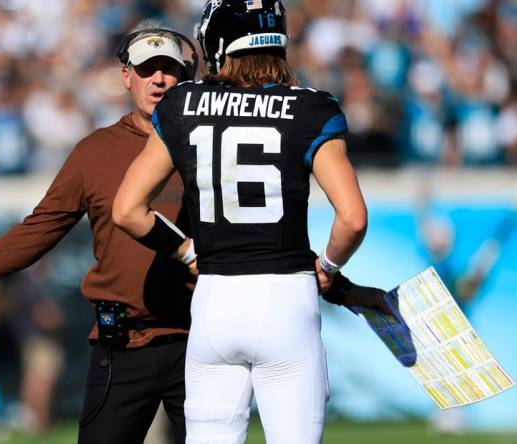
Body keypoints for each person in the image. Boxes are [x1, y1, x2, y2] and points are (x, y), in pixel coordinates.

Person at [0, 21, 199, 444]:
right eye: (147, 69)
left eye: (169, 68)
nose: (159, 79)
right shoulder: (96, 151)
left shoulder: (213, 143)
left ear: (189, 76)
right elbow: (40, 230)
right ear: (126, 76)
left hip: (201, 341)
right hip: (123, 343)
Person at [112, 2, 390, 442]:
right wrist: (330, 268)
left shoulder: (183, 104)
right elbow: (352, 219)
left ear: (217, 43)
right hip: (285, 302)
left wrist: (187, 252)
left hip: (214, 302)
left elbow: (126, 209)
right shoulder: (311, 108)